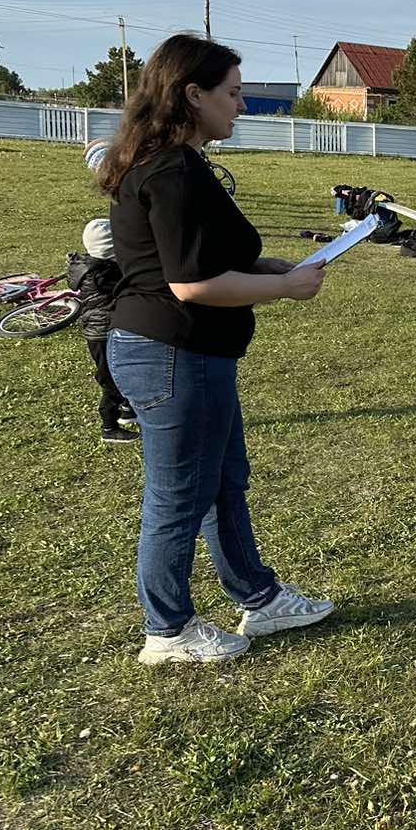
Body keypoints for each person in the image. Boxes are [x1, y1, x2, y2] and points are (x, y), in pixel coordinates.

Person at [99, 33, 337, 667]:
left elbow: (200, 255)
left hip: (185, 353)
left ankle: (258, 598)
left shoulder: (170, 161)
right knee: (178, 494)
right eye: (233, 94)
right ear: (192, 94)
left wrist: (265, 264)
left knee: (223, 482)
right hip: (173, 352)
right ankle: (168, 628)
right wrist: (282, 288)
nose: (241, 106)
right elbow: (189, 283)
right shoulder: (173, 170)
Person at [68, 218, 138, 444]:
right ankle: (109, 426)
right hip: (104, 332)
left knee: (125, 371)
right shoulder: (103, 274)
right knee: (112, 379)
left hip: (99, 331)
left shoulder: (86, 266)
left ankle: (128, 409)